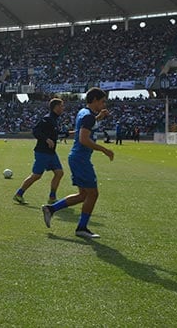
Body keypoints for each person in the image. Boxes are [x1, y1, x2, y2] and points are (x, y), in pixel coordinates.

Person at [42, 87, 114, 239]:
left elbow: (89, 124)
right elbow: (83, 139)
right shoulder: (88, 116)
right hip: (81, 159)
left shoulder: (84, 112)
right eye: (102, 102)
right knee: (93, 194)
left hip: (77, 157)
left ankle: (51, 209)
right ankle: (81, 228)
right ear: (94, 100)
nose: (104, 104)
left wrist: (99, 117)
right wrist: (104, 149)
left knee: (83, 195)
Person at [13, 98, 65, 205]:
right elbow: (35, 131)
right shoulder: (47, 118)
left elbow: (57, 133)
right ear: (56, 107)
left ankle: (52, 197)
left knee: (59, 173)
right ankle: (19, 194)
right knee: (36, 175)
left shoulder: (54, 119)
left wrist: (76, 132)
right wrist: (46, 139)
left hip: (51, 153)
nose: (63, 108)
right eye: (61, 106)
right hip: (42, 152)